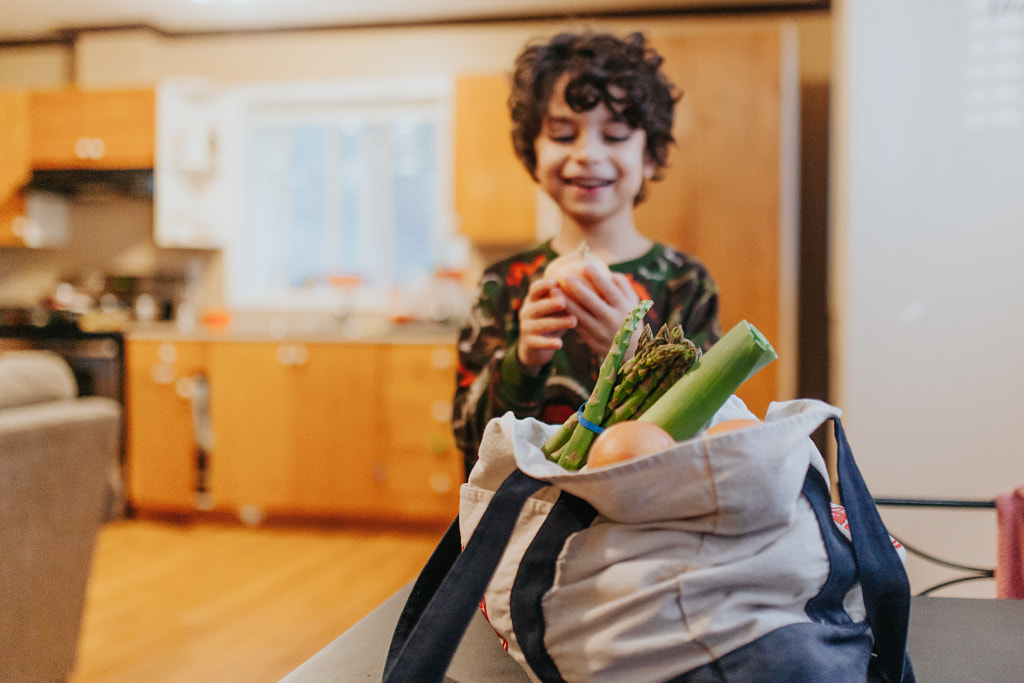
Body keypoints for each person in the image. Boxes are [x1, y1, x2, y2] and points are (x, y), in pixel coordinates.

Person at [452, 30, 722, 478]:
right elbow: (467, 438)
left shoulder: (685, 282)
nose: (588, 154)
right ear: (532, 153)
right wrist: (523, 362)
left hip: (646, 514)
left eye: (615, 135)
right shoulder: (504, 284)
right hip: (527, 516)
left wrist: (638, 351)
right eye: (562, 133)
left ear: (650, 157)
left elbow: (709, 428)